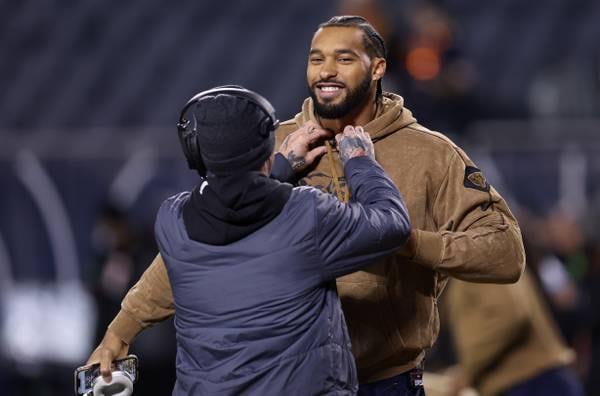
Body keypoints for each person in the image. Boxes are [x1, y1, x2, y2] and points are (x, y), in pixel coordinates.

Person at [87, 16, 526, 395]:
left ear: (378, 69)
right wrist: (122, 331)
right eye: (316, 59)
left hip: (384, 379)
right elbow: (195, 249)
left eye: (344, 58)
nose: (326, 71)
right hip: (287, 381)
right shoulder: (271, 144)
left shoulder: (431, 154)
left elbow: (505, 253)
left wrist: (411, 244)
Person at [90, 85, 412, 394]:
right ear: (265, 153)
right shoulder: (308, 214)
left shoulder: (173, 223)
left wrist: (116, 334)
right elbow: (393, 223)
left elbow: (235, 215)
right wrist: (359, 162)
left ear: (197, 154)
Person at [445, 269, 584, 396]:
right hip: (527, 382)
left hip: (531, 382)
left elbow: (509, 316)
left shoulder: (479, 260)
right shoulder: (468, 266)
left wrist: (469, 370)